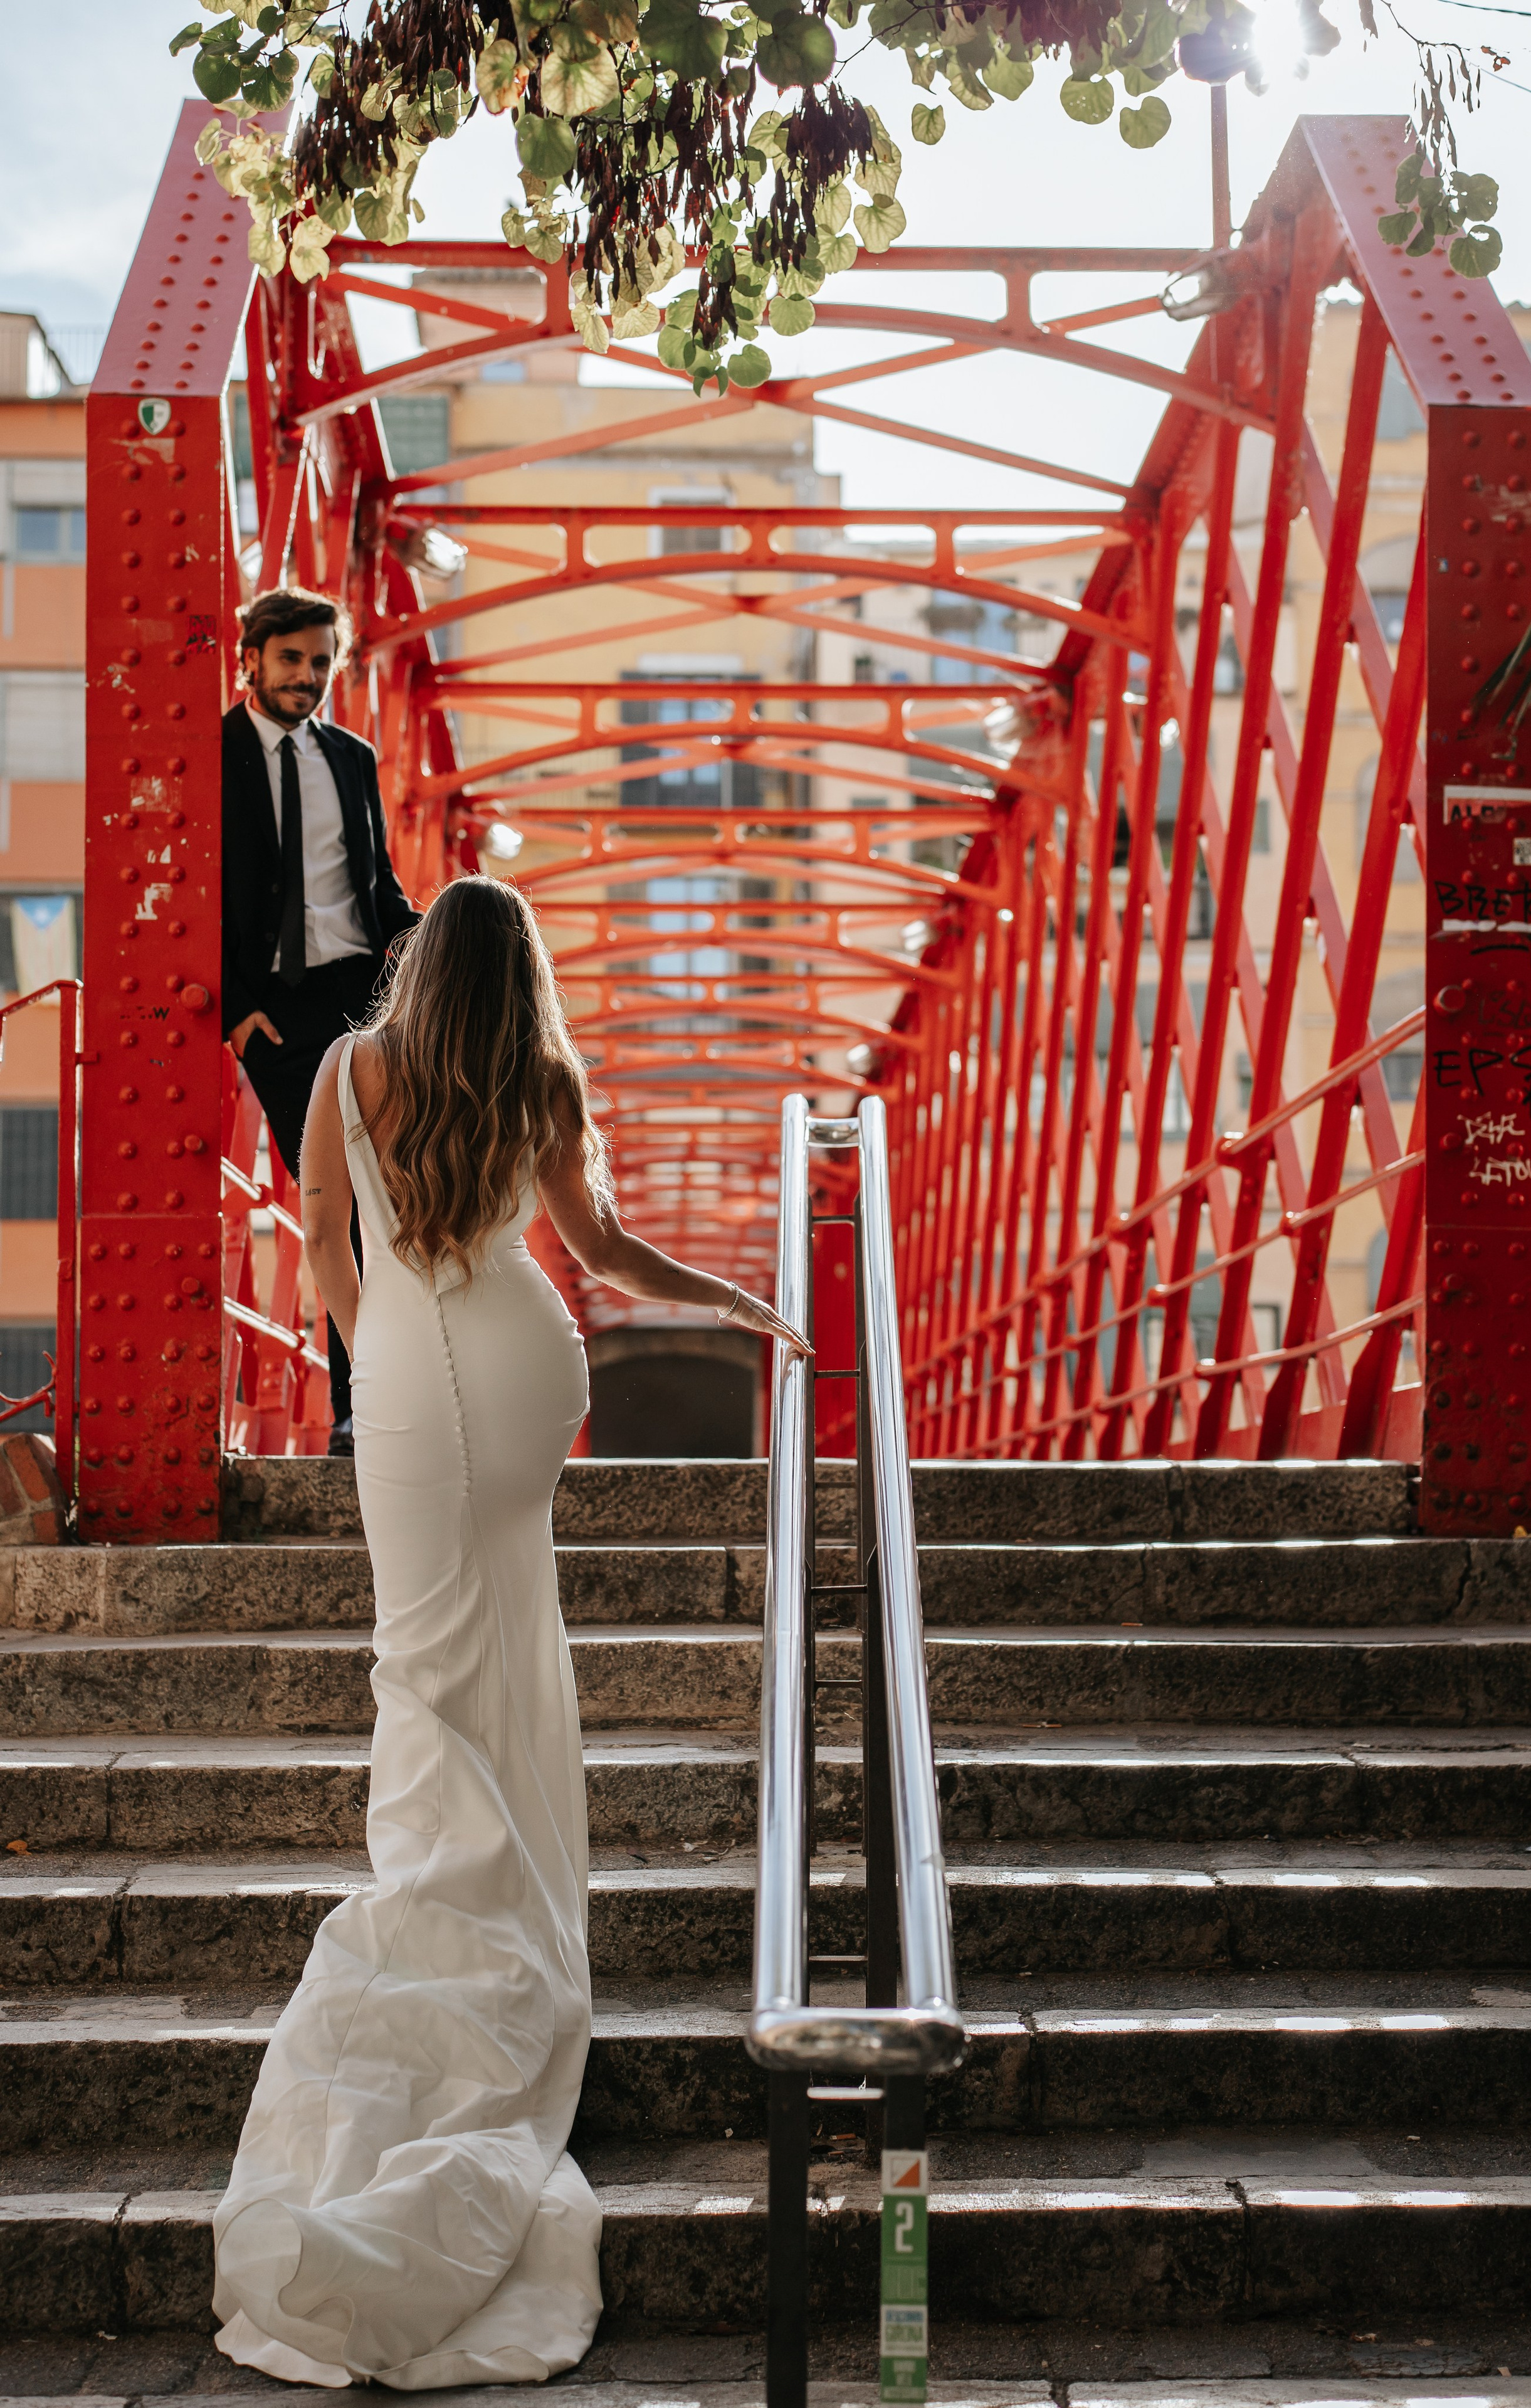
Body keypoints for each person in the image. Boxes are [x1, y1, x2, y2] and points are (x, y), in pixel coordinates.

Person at [210, 876, 808, 2389]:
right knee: (509, 1635)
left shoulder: (349, 1068)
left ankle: (437, 1915)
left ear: (418, 963)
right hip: (523, 1365)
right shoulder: (538, 1074)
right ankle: (518, 1923)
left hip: (407, 1380)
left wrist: (378, 1363)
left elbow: (321, 1245)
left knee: (418, 1662)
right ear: (521, 970)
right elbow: (598, 1258)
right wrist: (739, 1297)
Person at [223, 586, 419, 1456]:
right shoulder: (210, 754)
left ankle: (365, 1405)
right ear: (253, 661)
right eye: (291, 659)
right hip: (275, 1014)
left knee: (382, 1201)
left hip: (359, 996)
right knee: (327, 1207)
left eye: (321, 661)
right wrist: (234, 1005)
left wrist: (446, 947)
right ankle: (356, 1408)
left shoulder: (351, 756)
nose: (308, 677)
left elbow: (375, 886)